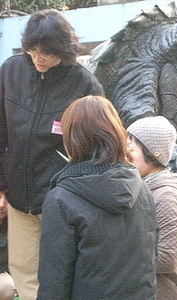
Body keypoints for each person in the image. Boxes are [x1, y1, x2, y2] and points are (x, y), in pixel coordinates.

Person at [0, 9, 104, 299]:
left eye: (46, 52)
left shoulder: (85, 84)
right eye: (33, 51)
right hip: (19, 198)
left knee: (61, 272)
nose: (38, 58)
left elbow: (96, 150)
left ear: (64, 49)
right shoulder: (11, 70)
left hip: (61, 201)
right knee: (22, 270)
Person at [37, 95, 158, 299]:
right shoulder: (141, 187)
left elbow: (54, 281)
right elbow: (149, 262)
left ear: (72, 139)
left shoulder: (62, 199)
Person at [127, 116, 177, 300]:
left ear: (152, 153)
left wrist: (117, 256)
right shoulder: (142, 186)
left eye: (131, 149)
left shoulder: (168, 195)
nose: (125, 155)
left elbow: (167, 259)